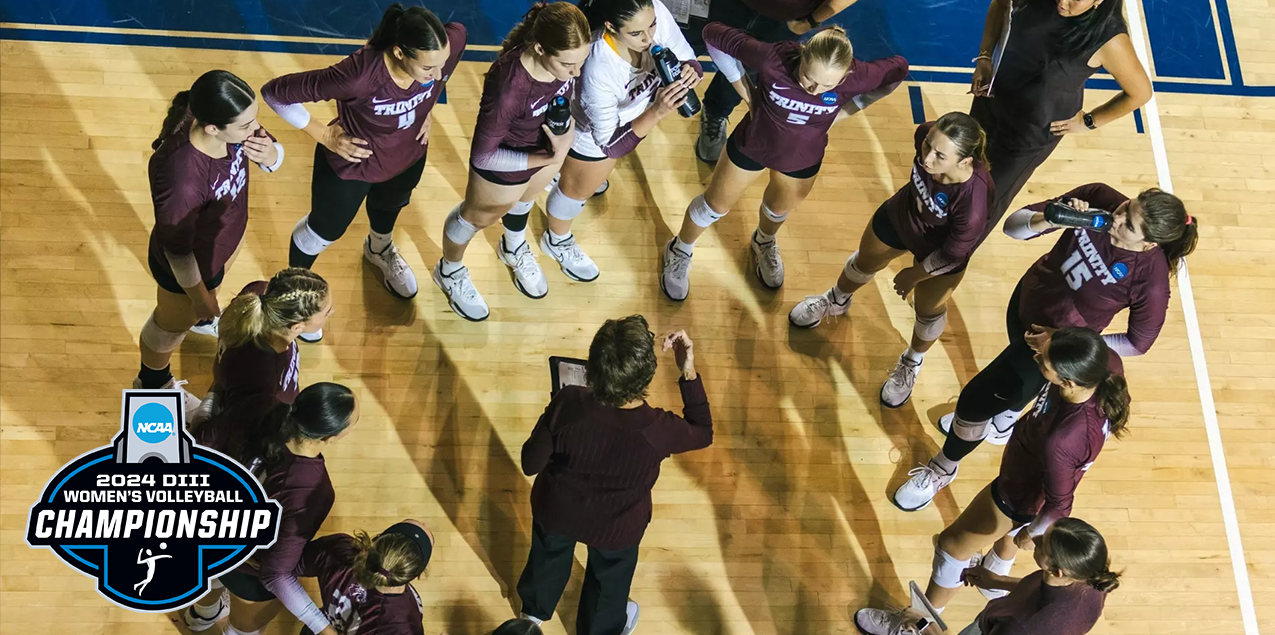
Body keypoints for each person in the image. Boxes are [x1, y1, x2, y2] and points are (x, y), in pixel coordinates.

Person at [893, 183, 1198, 512]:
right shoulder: (1100, 201)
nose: (1118, 217)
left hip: (1046, 352)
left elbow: (1138, 344)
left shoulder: (1149, 282)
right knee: (1004, 391)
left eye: (1129, 225)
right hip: (1028, 299)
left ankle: (943, 469)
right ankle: (1003, 422)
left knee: (972, 404)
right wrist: (1053, 220)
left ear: (1149, 243)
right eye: (1127, 207)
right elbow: (1013, 227)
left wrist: (1065, 344)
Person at [661, 23, 907, 300]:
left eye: (828, 85)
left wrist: (847, 111)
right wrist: (747, 92)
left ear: (847, 73)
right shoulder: (773, 58)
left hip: (801, 157)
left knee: (777, 209)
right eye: (807, 78)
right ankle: (679, 248)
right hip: (753, 144)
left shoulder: (858, 76)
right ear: (801, 56)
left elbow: (898, 69)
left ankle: (763, 241)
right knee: (713, 206)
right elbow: (712, 35)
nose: (814, 90)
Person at [262, 5, 467, 320]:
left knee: (389, 207)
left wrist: (428, 109)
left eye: (440, 65)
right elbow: (275, 93)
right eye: (428, 68)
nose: (436, 75)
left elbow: (455, 45)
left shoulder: (448, 45)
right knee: (322, 232)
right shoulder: (358, 76)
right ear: (399, 52)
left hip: (408, 156)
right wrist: (323, 134)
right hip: (352, 164)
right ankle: (296, 294)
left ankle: (379, 250)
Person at [516, 317, 712, 635]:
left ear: (593, 368)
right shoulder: (660, 429)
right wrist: (687, 369)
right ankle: (600, 629)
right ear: (647, 376)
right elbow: (703, 432)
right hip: (617, 526)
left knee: (547, 554)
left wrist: (553, 416)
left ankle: (533, 614)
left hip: (557, 510)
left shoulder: (568, 402)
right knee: (610, 578)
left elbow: (530, 463)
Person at [788, 113, 993, 407]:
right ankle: (836, 299)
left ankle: (912, 360)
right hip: (901, 217)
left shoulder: (973, 203)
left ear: (964, 161)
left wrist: (914, 274)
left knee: (929, 310)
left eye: (939, 155)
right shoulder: (925, 134)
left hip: (938, 251)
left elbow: (952, 254)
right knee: (863, 263)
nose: (927, 158)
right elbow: (925, 146)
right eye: (927, 146)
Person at [433, 2, 591, 321]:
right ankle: (448, 271)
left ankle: (513, 246)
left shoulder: (562, 60)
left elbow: (565, 89)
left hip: (545, 149)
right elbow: (483, 154)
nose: (576, 72)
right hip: (505, 163)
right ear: (539, 48)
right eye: (568, 64)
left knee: (525, 201)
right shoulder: (511, 85)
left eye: (581, 63)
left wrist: (559, 143)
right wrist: (551, 154)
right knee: (474, 218)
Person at [139, 70, 283, 411]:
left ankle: (200, 318)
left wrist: (271, 155)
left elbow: (272, 151)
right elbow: (177, 251)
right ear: (212, 128)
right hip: (187, 274)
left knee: (196, 312)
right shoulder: (182, 180)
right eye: (246, 126)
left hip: (218, 248)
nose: (255, 130)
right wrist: (200, 299)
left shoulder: (232, 123)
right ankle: (152, 381)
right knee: (168, 325)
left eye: (254, 121)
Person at [539, 0, 702, 283]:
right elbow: (610, 145)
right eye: (637, 34)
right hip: (595, 136)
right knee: (576, 192)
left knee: (589, 178)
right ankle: (556, 240)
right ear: (611, 27)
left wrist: (691, 72)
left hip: (631, 119)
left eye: (651, 26)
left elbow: (690, 60)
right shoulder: (598, 67)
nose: (650, 38)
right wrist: (658, 111)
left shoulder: (656, 13)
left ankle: (565, 174)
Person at [183, 382, 359, 635]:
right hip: (247, 568)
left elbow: (200, 441)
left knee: (208, 582)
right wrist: (323, 628)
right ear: (330, 437)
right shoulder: (314, 491)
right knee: (242, 631)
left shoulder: (259, 404)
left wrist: (214, 389)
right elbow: (275, 574)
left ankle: (199, 617)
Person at [968, 0, 1152, 230]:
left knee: (980, 206)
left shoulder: (1109, 39)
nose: (1063, 2)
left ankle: (949, 263)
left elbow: (1140, 93)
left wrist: (1089, 122)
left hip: (1027, 135)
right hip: (991, 99)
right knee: (954, 169)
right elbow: (1000, 5)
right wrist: (985, 57)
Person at [854, 517, 1121, 635]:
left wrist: (924, 624)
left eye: (1042, 544)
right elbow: (1038, 591)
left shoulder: (1022, 626)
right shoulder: (1092, 581)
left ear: (1057, 570)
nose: (1035, 537)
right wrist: (995, 581)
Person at [695, 0, 863, 163]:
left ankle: (715, 112)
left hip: (784, 19)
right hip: (729, 5)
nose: (814, 91)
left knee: (750, 68)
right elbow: (711, 35)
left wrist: (810, 21)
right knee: (681, 51)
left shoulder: (772, 59)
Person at [190, 268, 333, 430]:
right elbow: (230, 429)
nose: (332, 313)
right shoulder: (260, 379)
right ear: (297, 326)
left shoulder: (259, 293)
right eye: (327, 312)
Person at [295, 519, 435, 635]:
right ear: (418, 574)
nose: (425, 523)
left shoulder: (340, 548)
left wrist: (317, 622)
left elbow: (287, 565)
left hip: (318, 626)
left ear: (377, 539)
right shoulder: (404, 626)